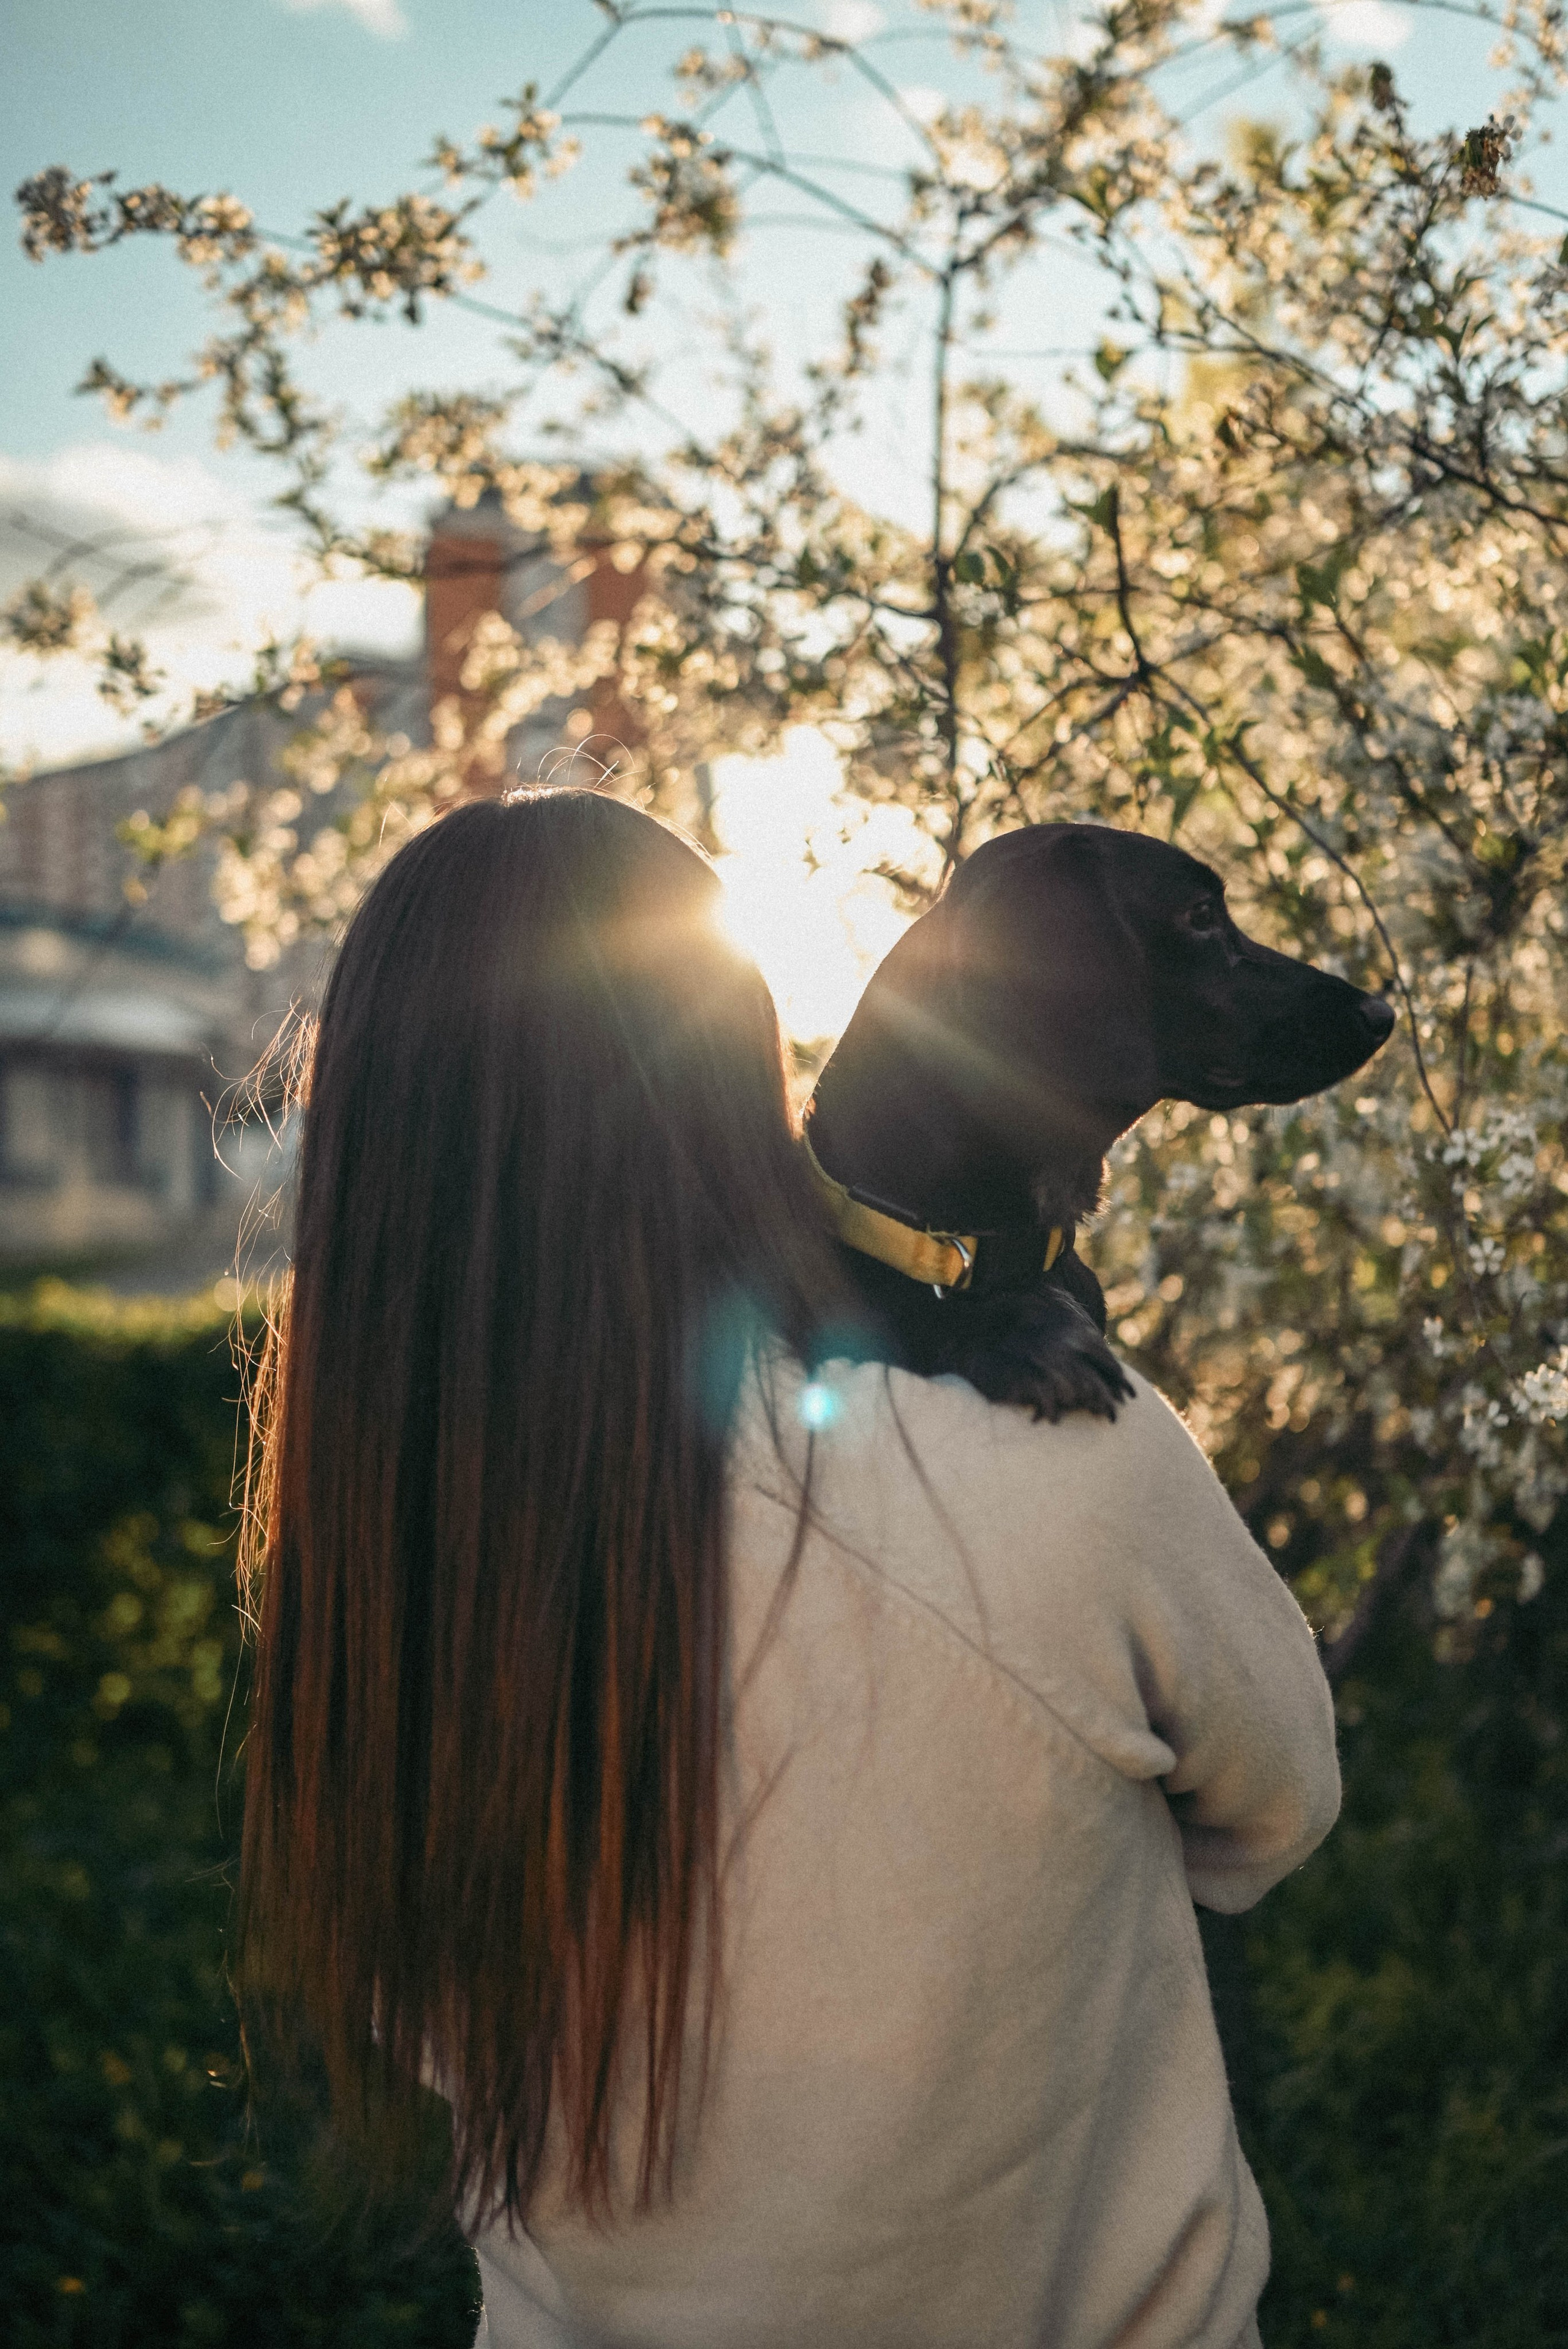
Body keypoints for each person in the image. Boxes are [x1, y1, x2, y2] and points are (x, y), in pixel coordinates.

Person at [238, 787, 1340, 2349]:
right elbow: (1275, 1811)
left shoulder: (393, 1573)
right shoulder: (1062, 1469)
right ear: (732, 1087)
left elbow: (417, 2020)